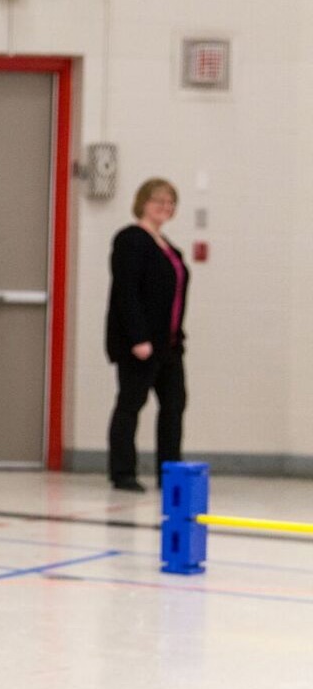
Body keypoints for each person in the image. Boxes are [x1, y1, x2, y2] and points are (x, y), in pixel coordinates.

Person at [105, 178, 190, 492]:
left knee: (174, 404)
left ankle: (169, 472)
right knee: (130, 403)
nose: (165, 207)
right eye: (159, 201)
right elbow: (126, 292)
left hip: (169, 344)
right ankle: (122, 471)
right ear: (143, 202)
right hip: (140, 343)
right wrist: (138, 338)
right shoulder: (131, 240)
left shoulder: (170, 247)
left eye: (170, 202)